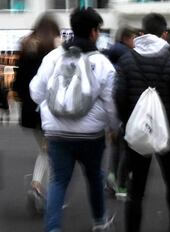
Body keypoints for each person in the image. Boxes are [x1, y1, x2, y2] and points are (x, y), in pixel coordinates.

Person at [29, 7, 119, 232]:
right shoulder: (102, 63)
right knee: (94, 177)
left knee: (58, 181)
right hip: (91, 135)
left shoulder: (53, 57)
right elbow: (111, 103)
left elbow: (36, 91)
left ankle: (53, 228)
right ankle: (99, 223)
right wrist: (114, 127)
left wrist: (49, 111)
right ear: (93, 32)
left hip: (57, 133)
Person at [114, 13, 170, 232]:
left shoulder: (127, 60)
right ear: (165, 34)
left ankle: (133, 228)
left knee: (136, 188)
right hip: (169, 133)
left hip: (137, 134)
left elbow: (119, 97)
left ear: (141, 33)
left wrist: (128, 122)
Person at [12, 13, 60, 214]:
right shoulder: (54, 52)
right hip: (50, 111)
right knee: (49, 152)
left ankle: (39, 189)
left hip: (30, 112)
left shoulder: (25, 49)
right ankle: (38, 187)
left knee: (46, 150)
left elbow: (18, 85)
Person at [104, 26, 136, 199]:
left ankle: (112, 176)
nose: (135, 42)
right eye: (133, 38)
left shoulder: (111, 54)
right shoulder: (127, 56)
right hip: (123, 108)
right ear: (125, 38)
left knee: (116, 145)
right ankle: (121, 183)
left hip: (112, 108)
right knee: (126, 147)